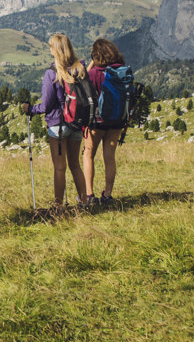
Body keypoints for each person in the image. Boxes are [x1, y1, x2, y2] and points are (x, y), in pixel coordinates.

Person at [19, 32, 90, 211]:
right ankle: (84, 201)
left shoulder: (51, 73)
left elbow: (46, 105)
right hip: (76, 123)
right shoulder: (80, 69)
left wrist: (30, 110)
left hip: (57, 125)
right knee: (75, 165)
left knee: (60, 168)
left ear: (54, 49)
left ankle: (58, 205)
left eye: (51, 46)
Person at [83, 37, 127, 203]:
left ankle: (89, 195)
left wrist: (91, 65)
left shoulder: (94, 74)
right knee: (110, 158)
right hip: (117, 121)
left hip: (97, 122)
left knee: (88, 155)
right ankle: (107, 195)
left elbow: (81, 85)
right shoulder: (122, 72)